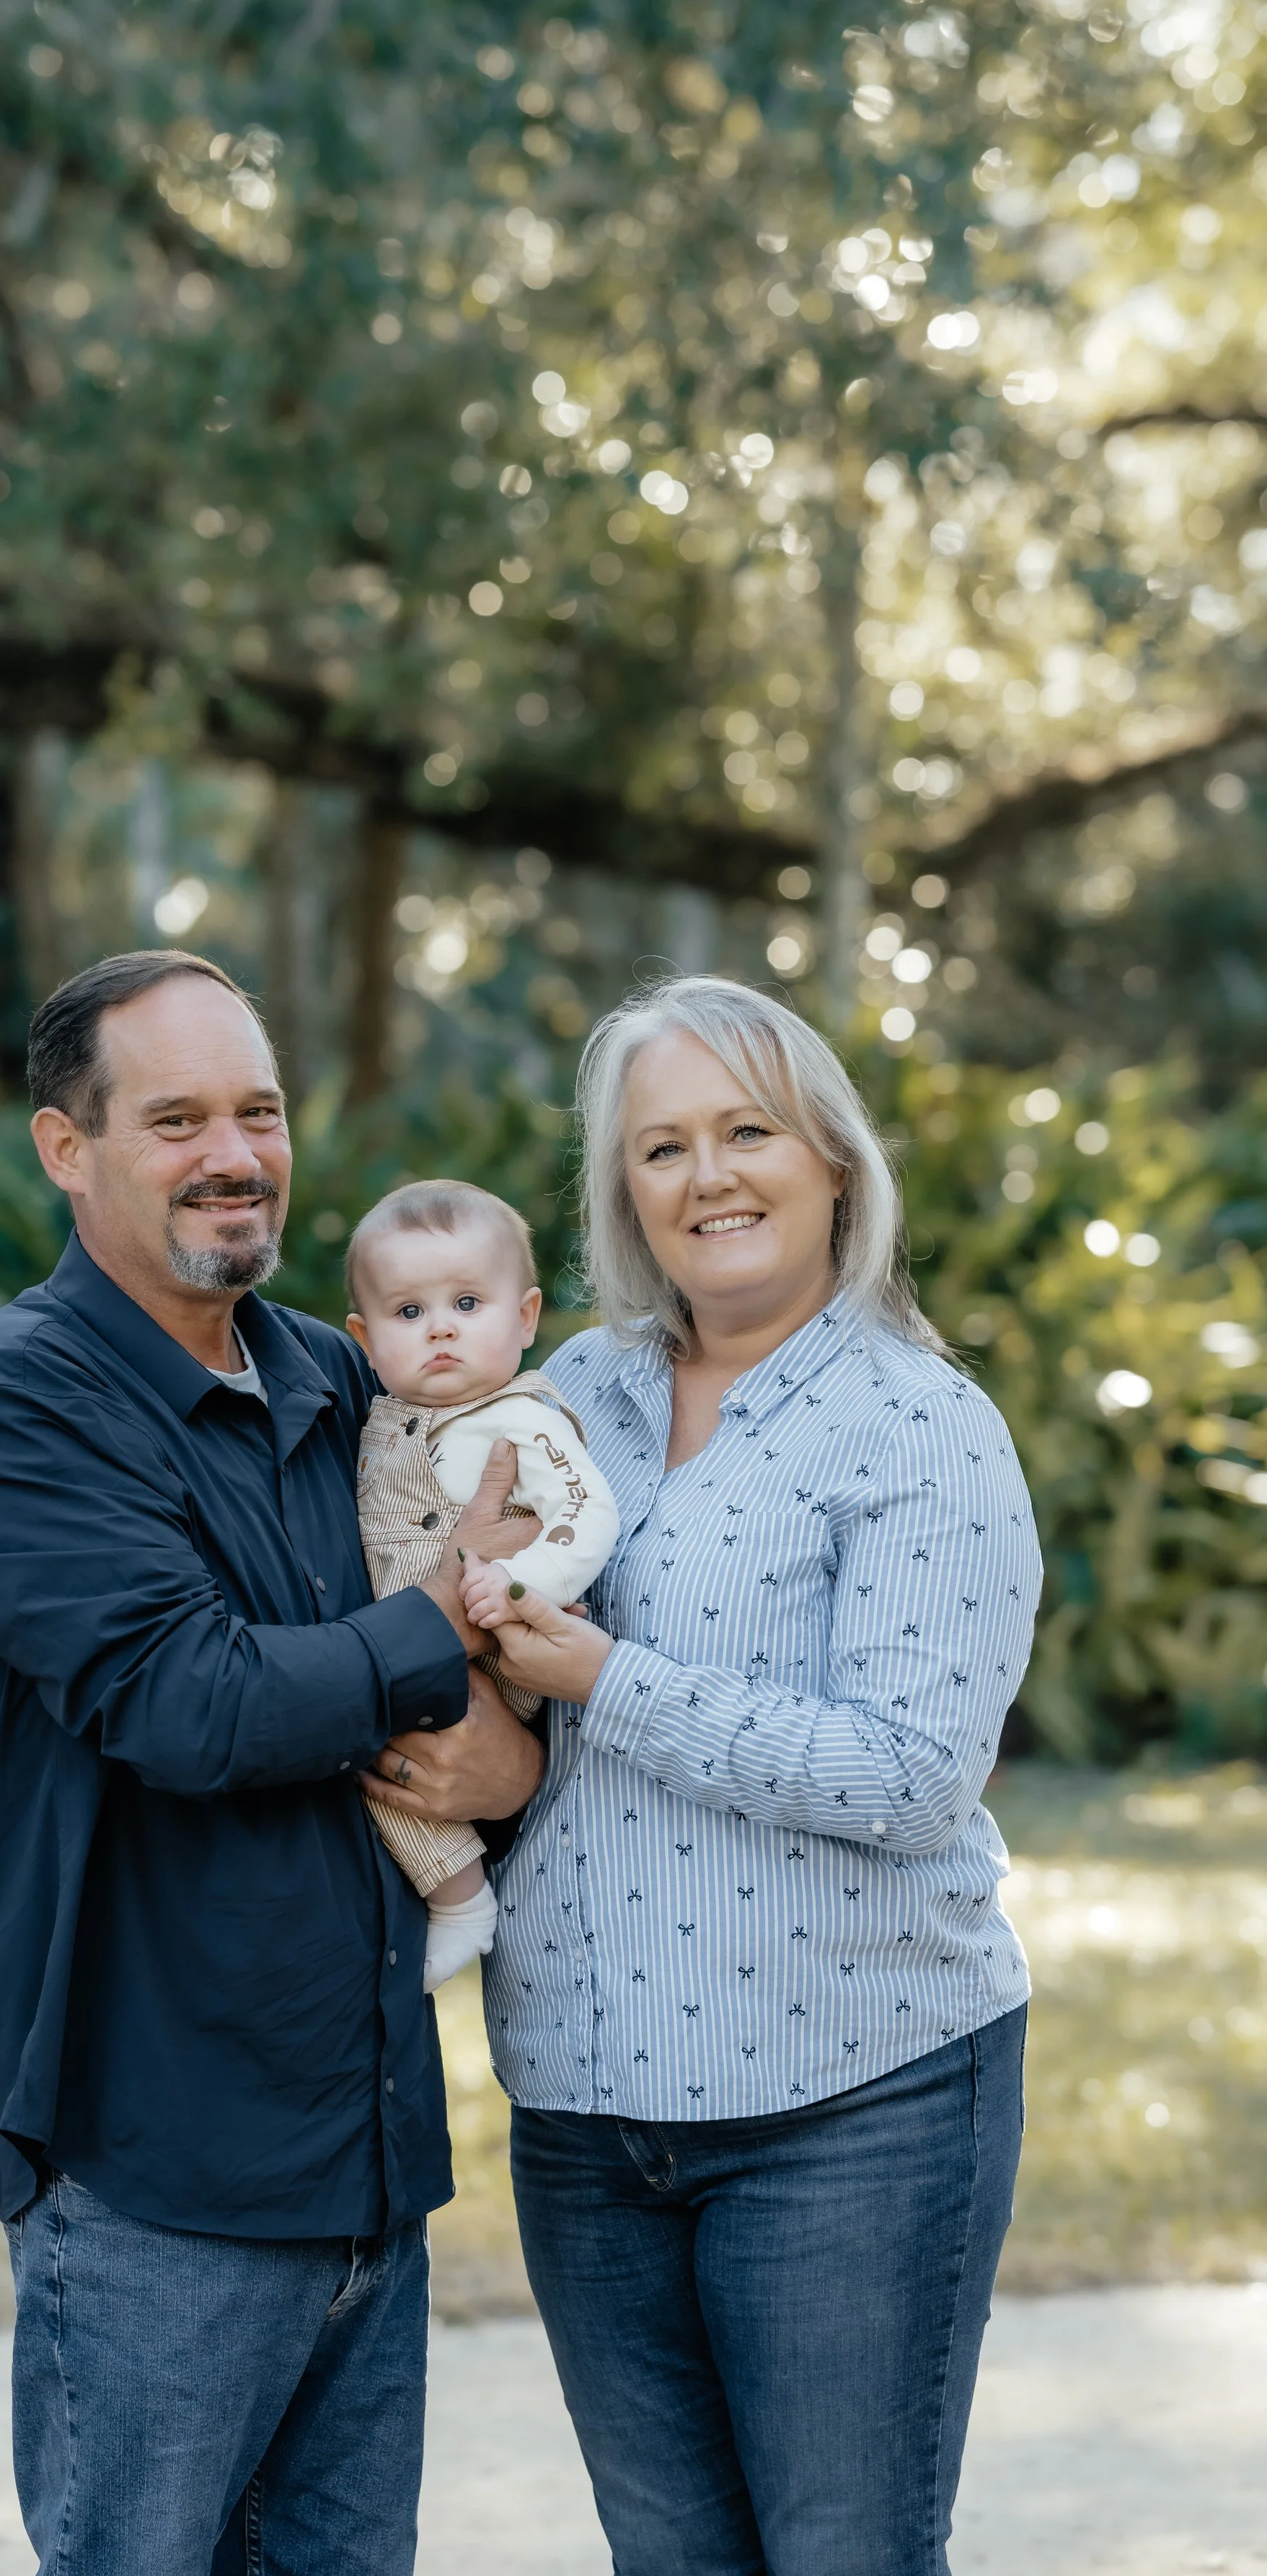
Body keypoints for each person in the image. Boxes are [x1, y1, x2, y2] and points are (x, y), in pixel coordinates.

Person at [0, 950, 542, 2576]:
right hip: (154, 2170)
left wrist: (502, 1762)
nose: (234, 1153)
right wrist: (434, 1632)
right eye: (175, 1117)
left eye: (255, 1109)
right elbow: (189, 1701)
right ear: (67, 1148)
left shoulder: (339, 1379)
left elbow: (495, 1628)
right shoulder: (18, 1409)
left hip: (365, 2153)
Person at [431, 972, 1041, 2576]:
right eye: (661, 1147)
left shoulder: (921, 1426)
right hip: (584, 2104)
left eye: (746, 1130)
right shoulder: (574, 1394)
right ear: (621, 1190)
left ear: (831, 1159)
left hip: (854, 2102)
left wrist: (608, 1678)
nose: (706, 1176)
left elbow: (913, 1773)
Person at [343, 1178, 620, 1991]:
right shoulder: (384, 1418)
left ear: (525, 1317)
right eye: (408, 1313)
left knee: (401, 1759)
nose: (440, 1330)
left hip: (493, 1646)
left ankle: (461, 1900)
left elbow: (584, 1514)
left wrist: (518, 1582)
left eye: (467, 1302)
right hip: (405, 1629)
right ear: (363, 1337)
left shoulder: (522, 1416)